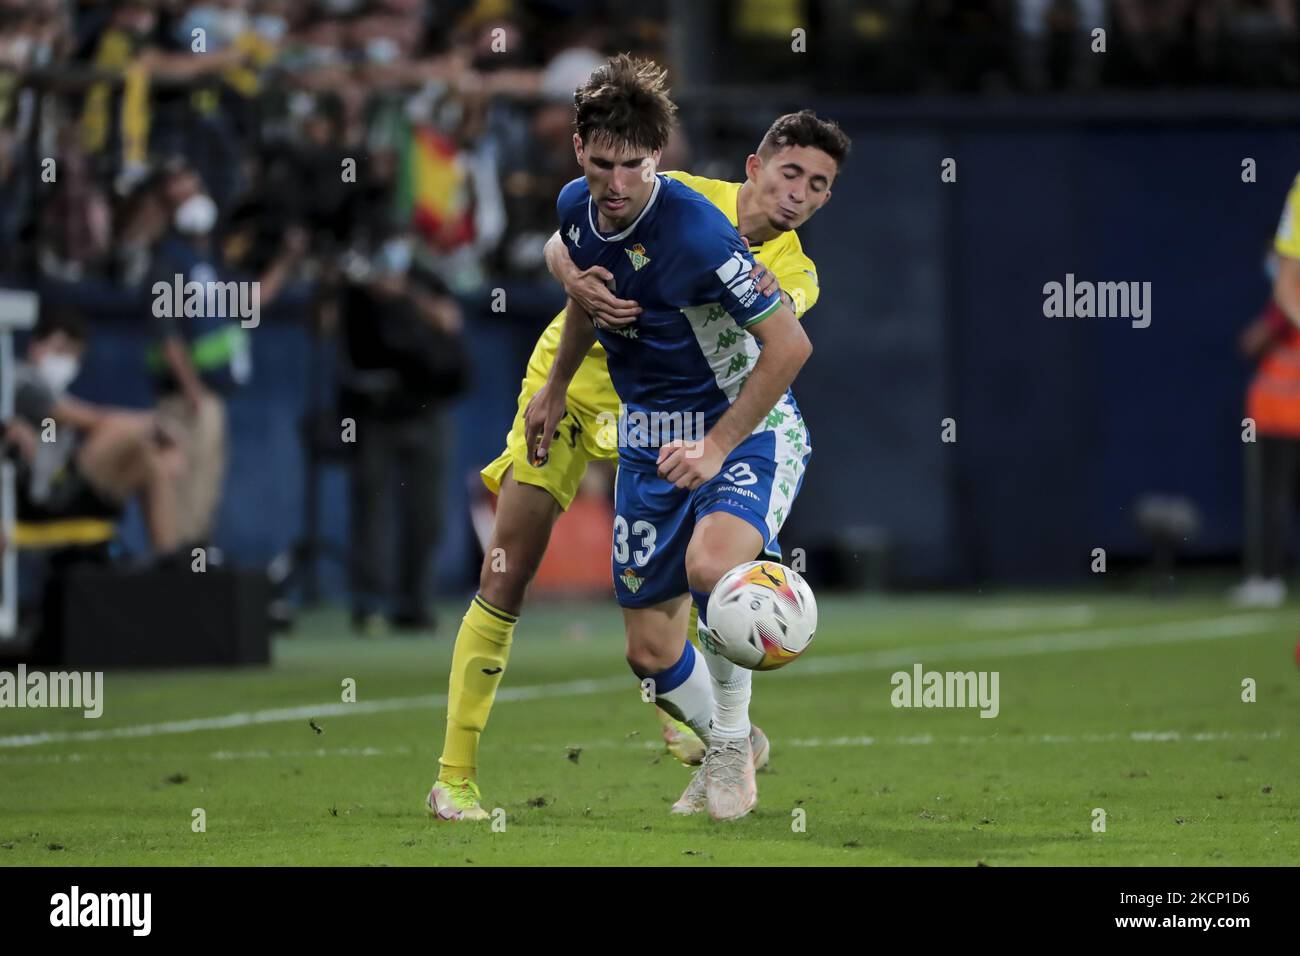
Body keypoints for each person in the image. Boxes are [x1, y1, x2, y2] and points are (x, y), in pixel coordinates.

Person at [429, 56, 846, 822]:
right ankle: (460, 774)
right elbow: (581, 244)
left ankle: (723, 742)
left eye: (819, 186)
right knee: (638, 649)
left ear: (656, 160)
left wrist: (720, 445)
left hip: (718, 428)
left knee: (714, 568)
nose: (799, 195)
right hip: (633, 428)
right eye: (791, 174)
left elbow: (783, 344)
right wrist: (560, 354)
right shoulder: (637, 197)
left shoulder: (718, 240)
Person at [339, 231, 471, 633]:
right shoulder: (359, 291)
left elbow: (451, 328)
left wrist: (417, 300)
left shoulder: (424, 282)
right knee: (373, 510)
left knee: (426, 514)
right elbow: (348, 337)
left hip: (430, 409)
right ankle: (370, 603)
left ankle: (413, 603)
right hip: (378, 413)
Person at [4, 311, 178, 555]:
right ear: (35, 346)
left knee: (150, 461)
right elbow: (95, 419)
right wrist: (156, 425)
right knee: (114, 431)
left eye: (73, 353)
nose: (65, 360)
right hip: (38, 499)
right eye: (59, 349)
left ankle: (168, 559)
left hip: (64, 489)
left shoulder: (55, 395)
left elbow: (51, 430)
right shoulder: (22, 382)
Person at [1237, 171, 1300, 604]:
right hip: (1274, 414)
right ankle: (1267, 577)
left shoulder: (1284, 305)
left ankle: (1268, 579)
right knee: (1272, 502)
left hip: (1284, 416)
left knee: (1274, 502)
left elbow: (1253, 340)